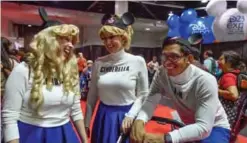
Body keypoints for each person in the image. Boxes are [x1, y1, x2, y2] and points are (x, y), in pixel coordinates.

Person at [130, 37, 230, 143]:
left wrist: (165, 138)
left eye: (174, 57)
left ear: (189, 59)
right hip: (188, 124)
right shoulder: (161, 73)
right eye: (164, 56)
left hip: (215, 126)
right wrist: (140, 120)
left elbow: (204, 127)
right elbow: (151, 99)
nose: (167, 63)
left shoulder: (205, 80)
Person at [1, 24, 88, 143]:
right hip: (30, 135)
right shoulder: (23, 70)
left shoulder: (69, 71)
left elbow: (76, 109)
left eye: (72, 41)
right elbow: (9, 116)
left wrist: (85, 140)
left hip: (64, 134)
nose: (71, 45)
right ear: (49, 41)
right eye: (66, 39)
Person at [85, 13, 149, 143]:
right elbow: (91, 97)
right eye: (104, 39)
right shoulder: (99, 63)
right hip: (103, 117)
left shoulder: (137, 61)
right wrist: (86, 123)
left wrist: (131, 115)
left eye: (112, 37)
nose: (107, 42)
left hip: (126, 117)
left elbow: (143, 94)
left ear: (123, 36)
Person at [218, 51, 245, 127]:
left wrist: (216, 90)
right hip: (234, 114)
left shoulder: (228, 76)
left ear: (229, 62)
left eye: (221, 59)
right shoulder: (236, 73)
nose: (218, 61)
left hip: (226, 113)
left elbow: (233, 95)